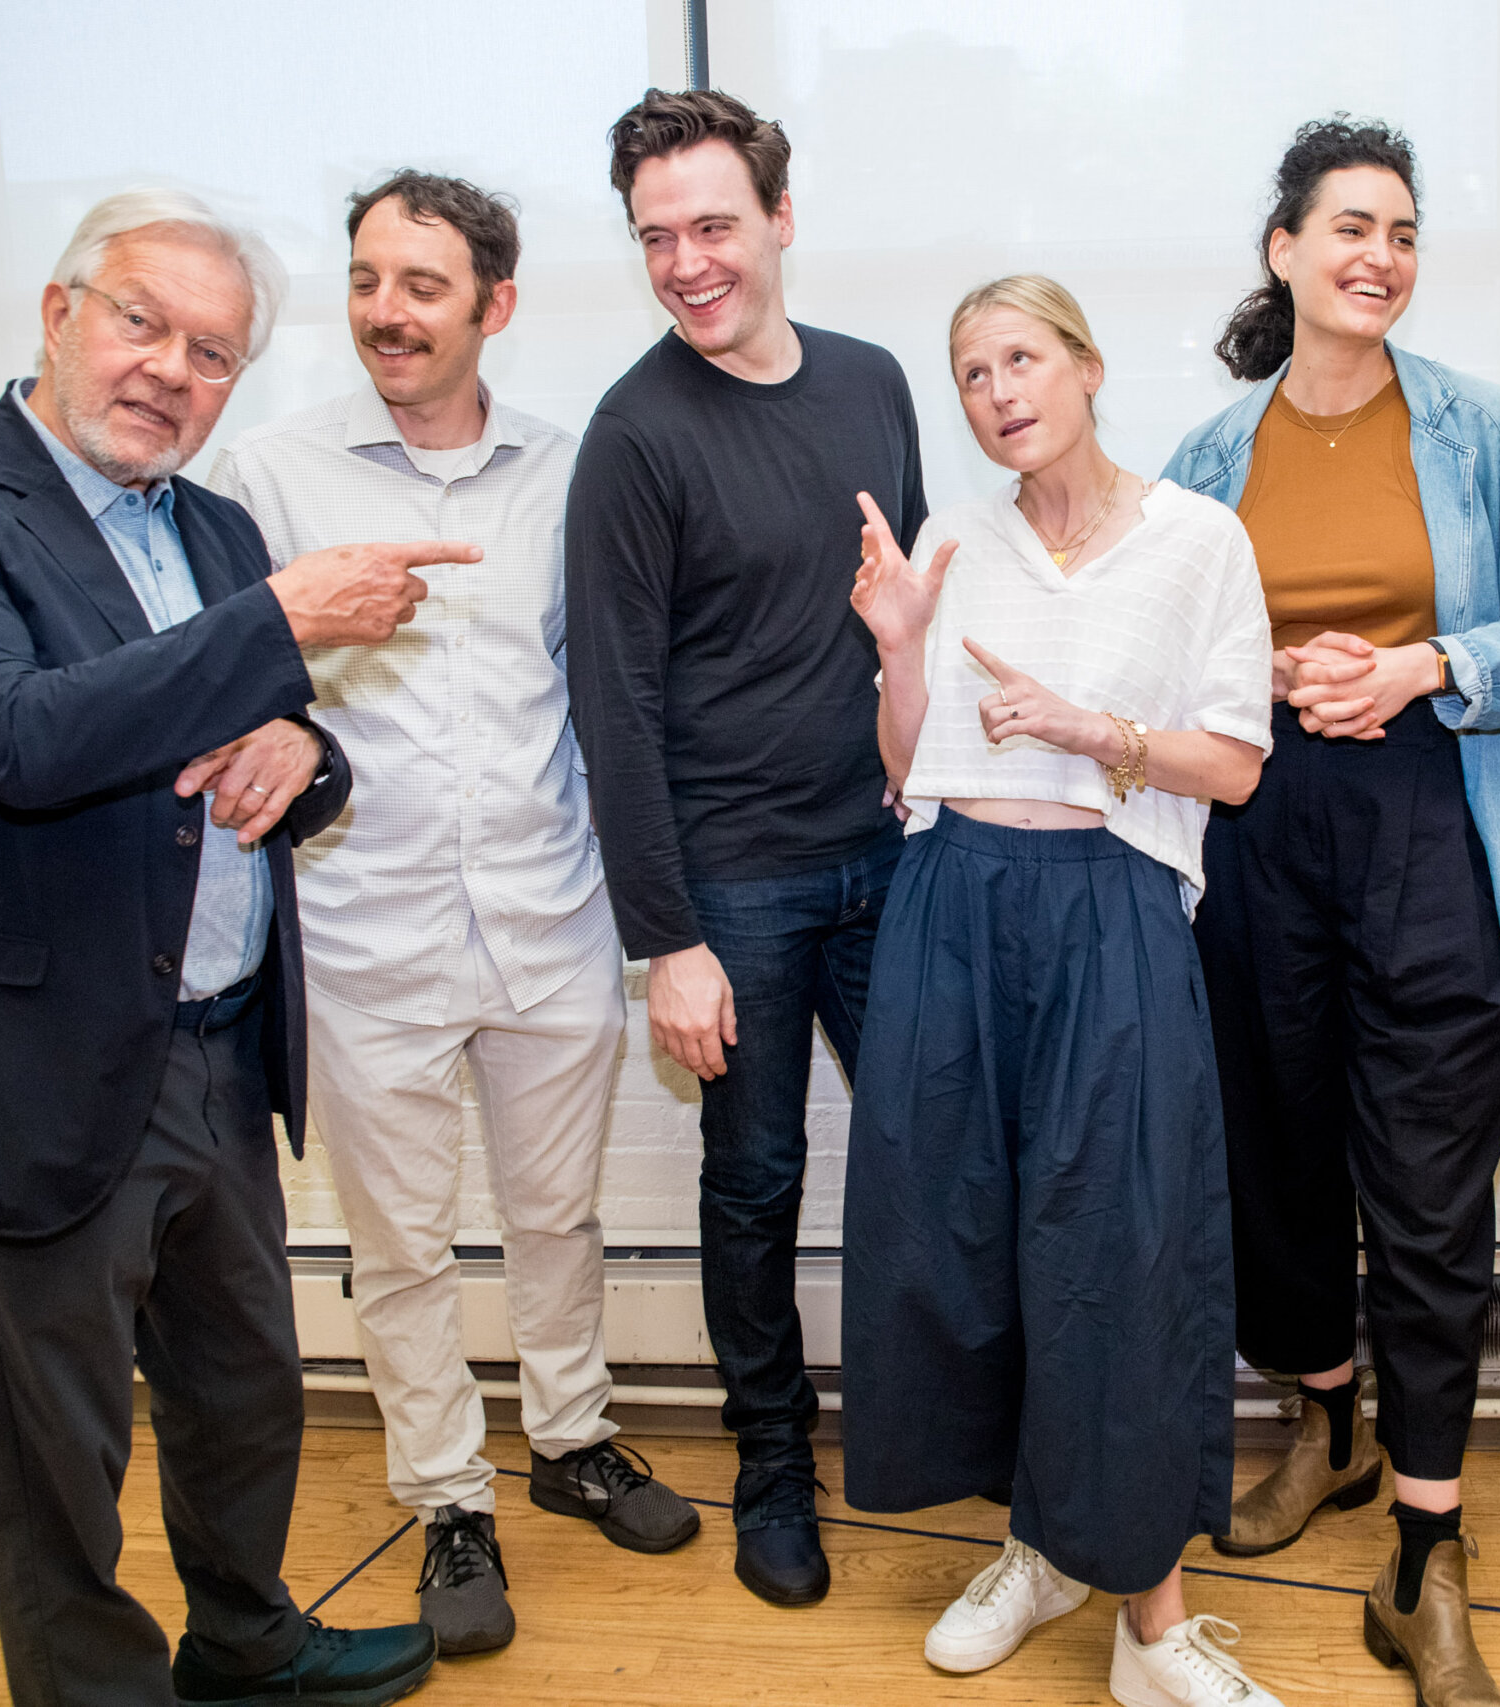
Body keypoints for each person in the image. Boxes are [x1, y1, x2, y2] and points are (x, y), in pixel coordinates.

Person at [0, 188, 475, 1707]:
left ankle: (246, 1639)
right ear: (57, 315)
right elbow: (14, 738)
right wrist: (287, 627)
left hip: (219, 1054)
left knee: (244, 1393)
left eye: (215, 352)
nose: (174, 370)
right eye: (142, 323)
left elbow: (273, 743)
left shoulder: (218, 525)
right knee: (57, 1459)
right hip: (23, 1071)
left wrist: (308, 755)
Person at [209, 170, 697, 1657]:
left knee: (558, 1211)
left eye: (423, 285)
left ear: (494, 304)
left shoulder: (571, 469)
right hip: (364, 934)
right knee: (403, 1244)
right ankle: (446, 1502)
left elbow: (611, 687)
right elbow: (219, 681)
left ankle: (570, 1437)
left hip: (549, 917)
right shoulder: (268, 479)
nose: (386, 312)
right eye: (367, 280)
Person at [1164, 118, 1500, 1706]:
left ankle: (1428, 1551)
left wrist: (1424, 667)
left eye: (1405, 232)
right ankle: (1329, 1420)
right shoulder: (1211, 454)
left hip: (1432, 822)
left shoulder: (1480, 429)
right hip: (1259, 838)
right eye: (1350, 226)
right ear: (1284, 252)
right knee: (1279, 1160)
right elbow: (1160, 647)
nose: (1381, 255)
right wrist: (1266, 677)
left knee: (1428, 1203)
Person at [843, 275, 1280, 1707]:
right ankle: (1037, 1548)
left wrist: (1098, 732)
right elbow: (907, 770)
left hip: (1113, 908)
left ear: (1087, 367)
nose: (998, 391)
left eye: (1021, 358)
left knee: (1122, 1246)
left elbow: (1236, 764)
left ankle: (1152, 1625)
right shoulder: (955, 537)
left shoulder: (1197, 540)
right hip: (954, 902)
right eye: (970, 374)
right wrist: (901, 643)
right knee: (965, 1236)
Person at [565, 87, 926, 1607]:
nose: (688, 262)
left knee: (930, 1154)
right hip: (739, 887)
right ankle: (773, 1455)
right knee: (757, 1180)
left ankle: (931, 1429)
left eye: (713, 225)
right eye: (658, 237)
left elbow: (904, 619)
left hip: (890, 858)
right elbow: (615, 704)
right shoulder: (634, 436)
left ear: (780, 219)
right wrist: (670, 938)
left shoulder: (875, 383)